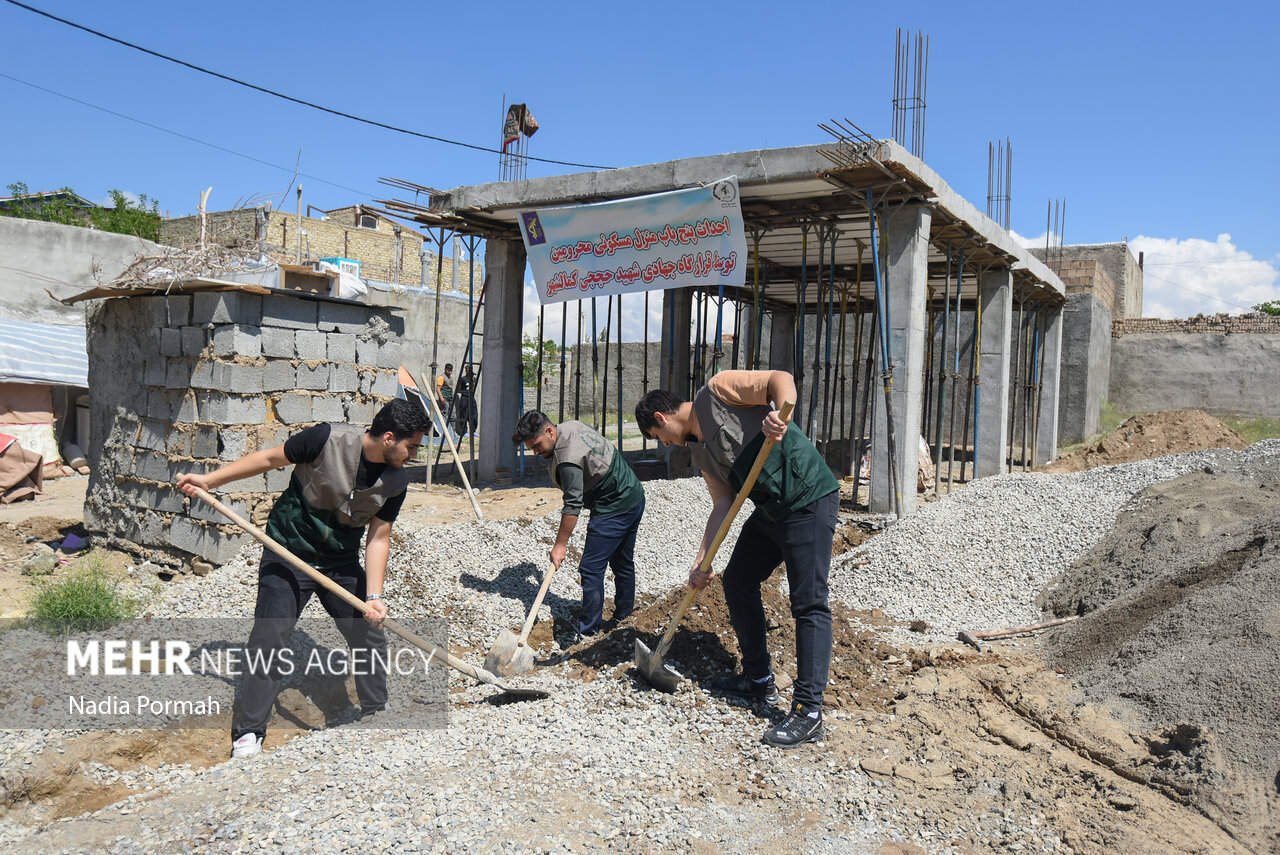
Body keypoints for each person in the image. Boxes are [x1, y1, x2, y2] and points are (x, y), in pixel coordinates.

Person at [176, 399, 429, 759]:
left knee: (368, 628)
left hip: (339, 560)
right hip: (289, 552)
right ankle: (248, 735)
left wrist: (374, 595)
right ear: (389, 438)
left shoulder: (396, 481)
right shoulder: (325, 439)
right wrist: (209, 480)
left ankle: (375, 712)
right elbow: (268, 459)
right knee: (270, 636)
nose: (413, 454)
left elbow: (379, 537)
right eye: (412, 446)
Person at [635, 370, 839, 748]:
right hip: (773, 510)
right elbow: (723, 504)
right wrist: (702, 562)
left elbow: (780, 379)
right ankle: (759, 680)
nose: (664, 445)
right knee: (738, 581)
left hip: (808, 498)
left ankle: (809, 712)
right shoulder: (700, 451)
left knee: (808, 602)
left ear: (661, 419)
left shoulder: (718, 390)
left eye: (658, 437)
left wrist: (782, 414)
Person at [511, 410, 645, 639]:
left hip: (614, 505)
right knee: (622, 562)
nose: (535, 452)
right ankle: (624, 619)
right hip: (633, 493)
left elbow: (572, 504)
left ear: (550, 431)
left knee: (591, 568)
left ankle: (588, 634)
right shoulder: (569, 427)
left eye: (537, 445)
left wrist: (560, 545)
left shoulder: (568, 460)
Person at [453, 363, 478, 436]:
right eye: (467, 370)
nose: (468, 371)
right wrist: (465, 392)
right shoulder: (463, 379)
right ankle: (464, 432)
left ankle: (473, 431)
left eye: (469, 370)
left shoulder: (474, 379)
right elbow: (458, 389)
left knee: (474, 415)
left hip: (472, 399)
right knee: (463, 415)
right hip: (464, 398)